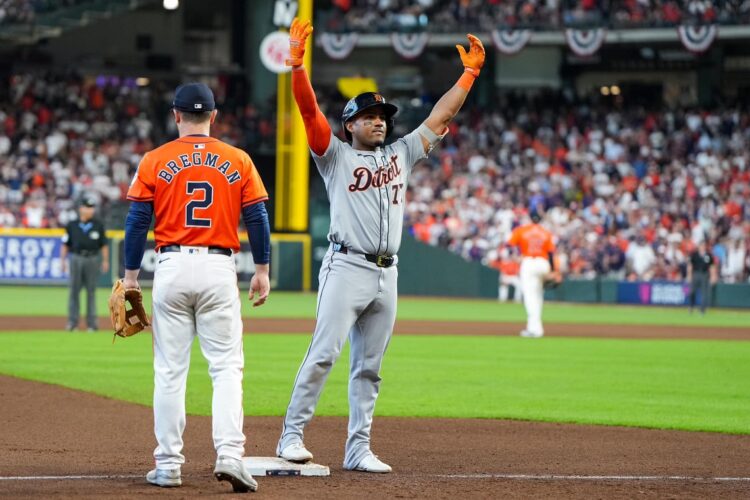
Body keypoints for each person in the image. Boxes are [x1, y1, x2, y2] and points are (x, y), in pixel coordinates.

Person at [275, 18, 485, 474]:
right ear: (349, 124)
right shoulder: (334, 155)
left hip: (387, 273)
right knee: (324, 353)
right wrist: (296, 66)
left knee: (370, 368)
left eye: (384, 117)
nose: (379, 122)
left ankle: (358, 448)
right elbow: (310, 113)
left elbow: (441, 116)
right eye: (370, 116)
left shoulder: (402, 153)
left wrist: (467, 77)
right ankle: (291, 436)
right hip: (345, 266)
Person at [124, 83, 271, 492]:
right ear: (213, 115)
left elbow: (137, 222)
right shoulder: (237, 158)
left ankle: (168, 465)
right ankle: (229, 455)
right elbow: (257, 218)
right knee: (225, 369)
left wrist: (131, 277)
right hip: (219, 267)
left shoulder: (155, 159)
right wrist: (261, 269)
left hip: (169, 265)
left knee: (170, 372)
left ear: (175, 116)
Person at [507, 211, 559, 338]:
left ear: (530, 218)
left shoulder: (522, 230)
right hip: (543, 263)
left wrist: (516, 256)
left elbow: (510, 245)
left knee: (530, 297)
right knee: (538, 296)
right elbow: (551, 253)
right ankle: (537, 328)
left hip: (528, 262)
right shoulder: (545, 232)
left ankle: (533, 329)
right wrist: (553, 270)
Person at [60, 197, 109, 332]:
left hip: (92, 258)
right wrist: (62, 261)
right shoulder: (72, 225)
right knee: (74, 291)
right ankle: (72, 323)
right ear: (81, 208)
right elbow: (65, 244)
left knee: (91, 292)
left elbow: (104, 245)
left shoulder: (98, 225)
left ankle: (92, 324)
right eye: (88, 207)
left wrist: (105, 261)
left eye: (92, 207)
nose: (90, 210)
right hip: (76, 257)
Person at [687, 240, 717, 314]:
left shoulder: (708, 255)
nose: (703, 247)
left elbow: (712, 266)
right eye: (701, 245)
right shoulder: (694, 254)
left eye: (704, 245)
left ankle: (702, 310)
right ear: (699, 246)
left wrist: (713, 276)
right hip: (696, 273)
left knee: (704, 293)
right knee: (692, 291)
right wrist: (689, 275)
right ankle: (691, 306)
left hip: (704, 274)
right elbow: (690, 265)